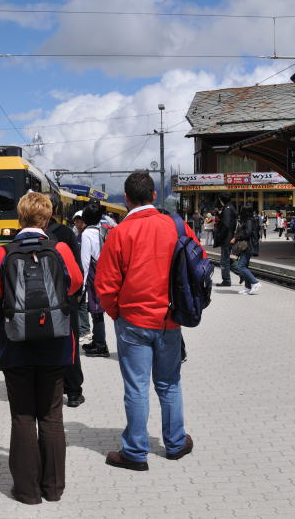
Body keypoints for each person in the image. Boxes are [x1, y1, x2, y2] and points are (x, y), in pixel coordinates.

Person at [0, 192, 82, 505]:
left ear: (20, 219)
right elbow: (75, 284)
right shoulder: (60, 249)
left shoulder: (2, 254)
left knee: (22, 415)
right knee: (51, 416)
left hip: (15, 347)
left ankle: (27, 491)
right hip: (54, 345)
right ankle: (53, 489)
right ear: (48, 218)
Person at [95, 171, 200, 471]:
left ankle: (135, 452)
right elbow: (199, 262)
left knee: (137, 387)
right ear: (154, 195)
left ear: (126, 199)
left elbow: (105, 285)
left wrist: (118, 313)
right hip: (169, 320)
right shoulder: (175, 225)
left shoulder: (119, 233)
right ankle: (176, 443)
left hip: (133, 322)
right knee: (169, 384)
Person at [46, 194, 85, 408]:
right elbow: (78, 271)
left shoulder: (20, 236)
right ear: (55, 210)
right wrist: (76, 297)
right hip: (63, 300)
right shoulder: (65, 234)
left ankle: (47, 391)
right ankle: (73, 392)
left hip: (32, 306)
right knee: (69, 346)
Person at [80, 202, 110, 358]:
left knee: (96, 310)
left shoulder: (86, 234)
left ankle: (100, 346)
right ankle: (98, 340)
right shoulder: (104, 230)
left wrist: (82, 285)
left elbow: (85, 262)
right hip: (104, 271)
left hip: (93, 275)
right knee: (98, 309)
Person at [71, 211, 91, 342]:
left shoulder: (84, 236)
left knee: (80, 303)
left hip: (84, 274)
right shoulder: (77, 235)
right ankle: (85, 330)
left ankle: (83, 330)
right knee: (82, 304)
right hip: (80, 273)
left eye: (80, 221)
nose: (78, 223)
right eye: (76, 221)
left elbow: (85, 260)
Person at [232, 205, 261, 295]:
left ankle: (255, 282)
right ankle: (248, 287)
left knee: (241, 266)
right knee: (245, 266)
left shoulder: (249, 221)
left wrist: (236, 238)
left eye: (242, 211)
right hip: (247, 246)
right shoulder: (250, 220)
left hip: (247, 246)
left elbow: (247, 233)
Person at [213, 193, 237, 287]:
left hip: (226, 238)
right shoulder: (230, 207)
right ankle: (242, 274)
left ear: (222, 199)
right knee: (227, 259)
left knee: (224, 261)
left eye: (219, 199)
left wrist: (219, 235)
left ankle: (226, 280)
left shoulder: (227, 209)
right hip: (229, 236)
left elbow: (226, 225)